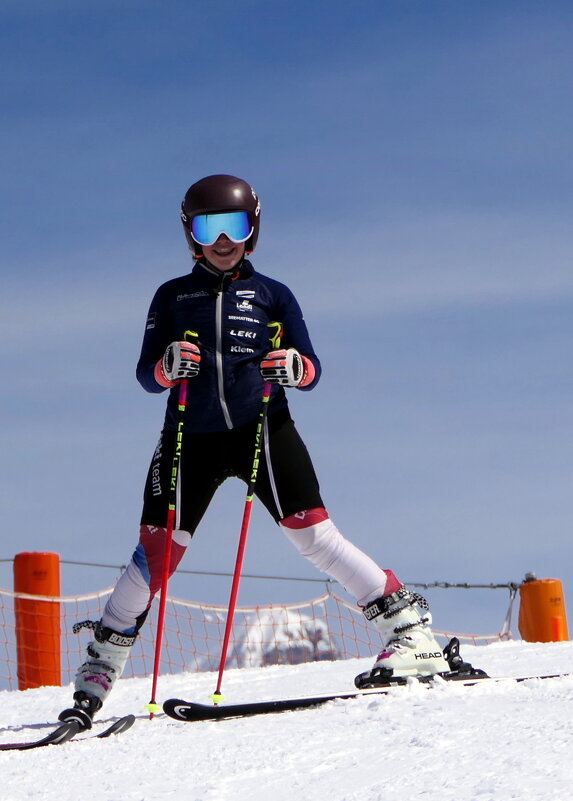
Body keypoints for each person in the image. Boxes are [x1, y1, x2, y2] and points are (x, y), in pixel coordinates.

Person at [61, 174, 448, 729]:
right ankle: (102, 662)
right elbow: (147, 375)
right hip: (188, 437)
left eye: (235, 226)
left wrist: (295, 367)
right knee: (155, 553)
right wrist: (168, 367)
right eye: (208, 227)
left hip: (262, 427)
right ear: (191, 235)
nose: (223, 240)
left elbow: (310, 367)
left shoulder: (274, 294)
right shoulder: (171, 296)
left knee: (312, 534)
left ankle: (409, 629)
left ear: (254, 229)